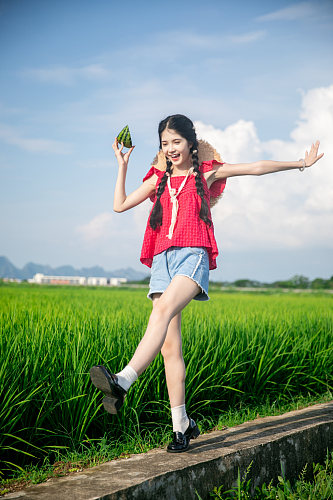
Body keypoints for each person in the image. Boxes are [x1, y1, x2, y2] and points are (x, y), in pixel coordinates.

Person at [90, 114, 324, 453]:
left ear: (190, 144)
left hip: (192, 256)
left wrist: (300, 163)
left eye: (176, 142)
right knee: (170, 348)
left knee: (163, 311)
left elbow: (254, 167)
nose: (171, 149)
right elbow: (119, 205)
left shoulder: (205, 172)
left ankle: (123, 380)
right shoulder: (158, 179)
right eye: (165, 144)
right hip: (162, 261)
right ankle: (181, 426)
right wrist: (121, 164)